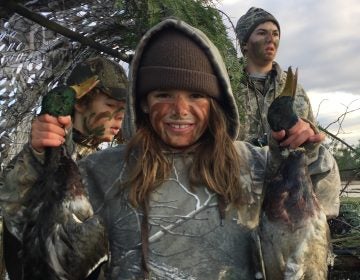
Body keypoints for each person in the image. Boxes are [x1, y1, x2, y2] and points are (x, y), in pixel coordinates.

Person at [0, 18, 340, 279]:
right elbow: (28, 236)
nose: (180, 109)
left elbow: (321, 207)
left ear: (216, 103)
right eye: (164, 95)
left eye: (196, 96)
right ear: (144, 104)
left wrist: (305, 150)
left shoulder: (256, 166)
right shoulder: (100, 170)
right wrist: (40, 157)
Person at [0, 56, 128, 280]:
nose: (119, 118)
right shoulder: (44, 157)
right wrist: (38, 154)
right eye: (110, 106)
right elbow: (13, 210)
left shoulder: (106, 160)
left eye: (123, 110)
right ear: (80, 103)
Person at [235, 7, 315, 146]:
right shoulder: (226, 86)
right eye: (262, 33)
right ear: (244, 44)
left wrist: (309, 134)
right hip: (236, 167)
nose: (271, 39)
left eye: (275, 33)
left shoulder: (295, 90)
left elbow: (312, 144)